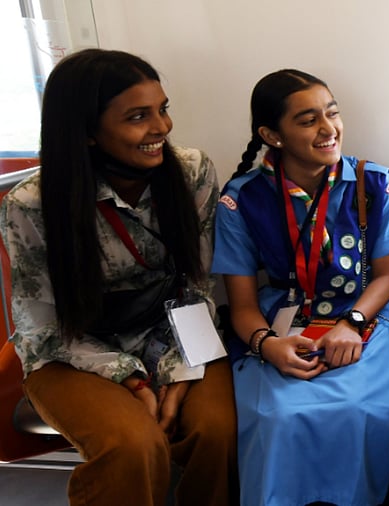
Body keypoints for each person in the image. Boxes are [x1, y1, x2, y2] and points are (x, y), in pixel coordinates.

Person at [0, 49, 238, 506]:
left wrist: (179, 372)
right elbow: (41, 328)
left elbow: (199, 288)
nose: (162, 128)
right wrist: (130, 378)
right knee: (131, 444)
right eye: (138, 116)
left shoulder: (191, 172)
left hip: (172, 333)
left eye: (163, 109)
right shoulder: (30, 204)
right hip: (72, 349)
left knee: (219, 432)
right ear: (88, 132)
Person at [212, 69, 389, 506]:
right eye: (308, 120)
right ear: (272, 134)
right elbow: (241, 305)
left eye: (333, 114)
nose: (329, 129)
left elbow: (385, 277)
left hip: (364, 316)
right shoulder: (240, 200)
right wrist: (268, 346)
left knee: (361, 411)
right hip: (278, 323)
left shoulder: (373, 183)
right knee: (277, 415)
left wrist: (351, 323)